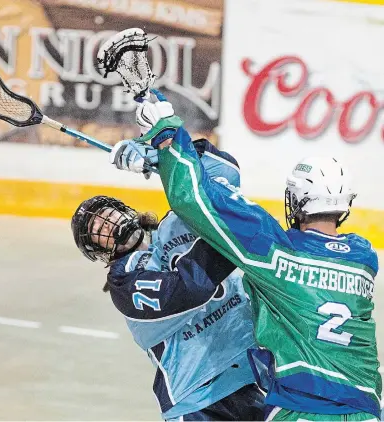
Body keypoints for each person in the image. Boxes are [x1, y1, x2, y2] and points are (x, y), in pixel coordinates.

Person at [110, 97, 381, 421]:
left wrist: (166, 138)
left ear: (294, 200)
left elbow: (199, 202)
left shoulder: (277, 252)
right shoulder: (364, 257)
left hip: (303, 409)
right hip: (367, 409)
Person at [71, 136, 265, 420]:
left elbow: (227, 173)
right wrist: (230, 230)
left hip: (255, 369)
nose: (107, 224)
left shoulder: (178, 220)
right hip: (197, 397)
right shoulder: (124, 281)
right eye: (98, 228)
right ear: (99, 252)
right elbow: (192, 288)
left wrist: (164, 157)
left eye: (106, 214)